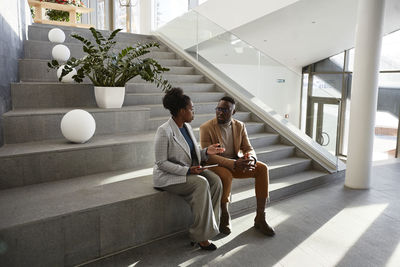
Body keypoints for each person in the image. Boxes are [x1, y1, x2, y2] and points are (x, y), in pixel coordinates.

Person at [153, 88, 225, 251]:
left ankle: (208, 227)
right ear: (181, 111)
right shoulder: (164, 131)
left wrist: (206, 152)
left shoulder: (186, 128)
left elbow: (192, 152)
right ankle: (200, 236)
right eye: (191, 109)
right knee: (201, 184)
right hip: (168, 176)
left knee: (216, 182)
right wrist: (187, 171)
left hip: (190, 169)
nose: (194, 112)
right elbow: (161, 163)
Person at [199, 96, 275, 236]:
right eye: (218, 109)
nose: (220, 112)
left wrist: (251, 158)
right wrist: (233, 163)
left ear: (233, 112)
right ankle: (225, 214)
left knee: (262, 168)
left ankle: (260, 216)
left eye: (225, 110)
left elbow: (248, 147)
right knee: (226, 175)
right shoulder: (206, 128)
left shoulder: (240, 126)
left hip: (236, 163)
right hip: (215, 164)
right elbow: (208, 155)